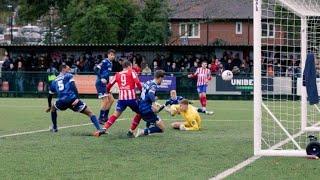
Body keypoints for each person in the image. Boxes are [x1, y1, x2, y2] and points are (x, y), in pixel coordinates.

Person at [47, 64, 103, 134]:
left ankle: (54, 128)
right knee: (90, 113)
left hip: (62, 101)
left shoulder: (54, 80)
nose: (70, 69)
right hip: (72, 99)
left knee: (53, 108)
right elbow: (73, 86)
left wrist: (49, 106)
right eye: (68, 68)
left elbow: (49, 95)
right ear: (63, 69)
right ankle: (99, 129)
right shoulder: (69, 75)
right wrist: (77, 98)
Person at [94, 60, 142, 137]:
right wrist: (141, 91)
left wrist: (108, 91)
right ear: (129, 66)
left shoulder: (117, 74)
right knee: (140, 113)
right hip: (131, 99)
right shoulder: (132, 72)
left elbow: (109, 85)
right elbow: (138, 82)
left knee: (115, 114)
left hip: (121, 99)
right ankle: (131, 131)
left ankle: (104, 129)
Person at [134, 70, 166, 137]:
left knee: (154, 114)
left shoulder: (148, 82)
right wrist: (154, 104)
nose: (162, 81)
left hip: (141, 107)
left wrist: (153, 102)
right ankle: (143, 131)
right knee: (162, 128)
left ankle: (148, 128)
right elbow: (151, 93)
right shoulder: (154, 85)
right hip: (146, 109)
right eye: (162, 79)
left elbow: (145, 94)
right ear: (160, 78)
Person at [94, 49, 116, 124]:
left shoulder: (110, 63)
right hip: (100, 83)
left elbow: (107, 75)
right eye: (111, 55)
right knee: (105, 100)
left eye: (113, 55)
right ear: (108, 55)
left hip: (105, 84)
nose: (113, 56)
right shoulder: (104, 61)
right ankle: (100, 118)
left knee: (112, 99)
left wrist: (108, 85)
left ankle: (105, 117)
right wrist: (101, 78)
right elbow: (96, 69)